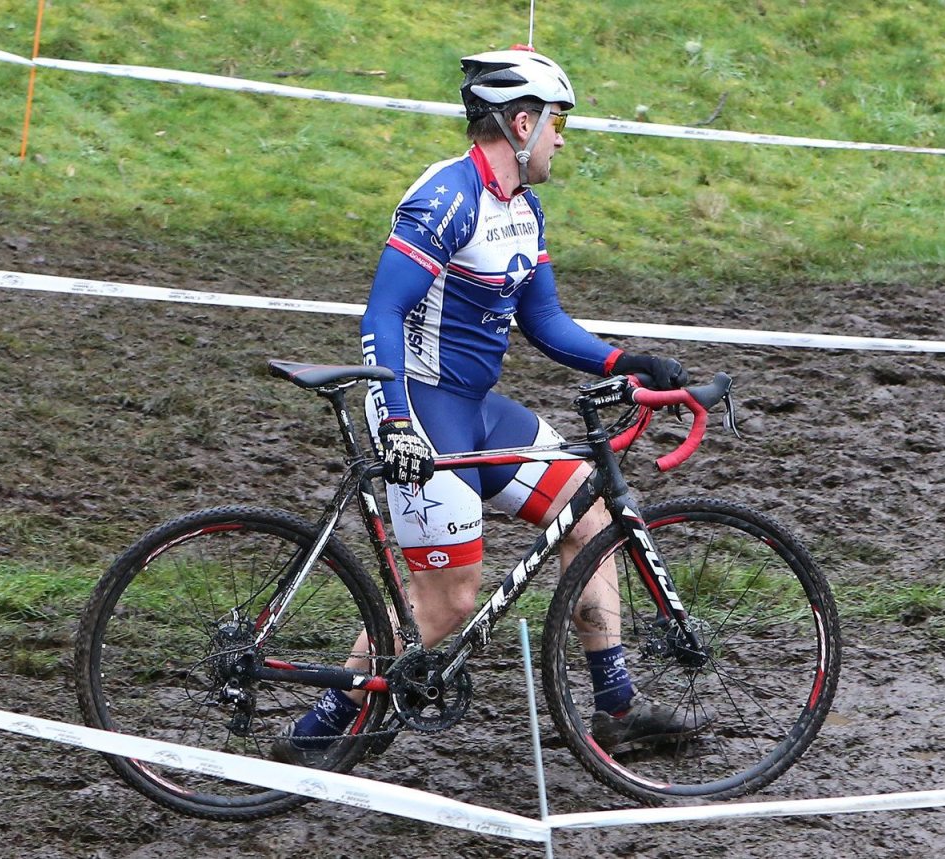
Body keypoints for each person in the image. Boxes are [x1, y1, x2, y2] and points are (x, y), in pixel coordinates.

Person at [273, 47, 708, 764]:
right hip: (422, 409)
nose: (563, 137)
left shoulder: (522, 209)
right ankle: (319, 728)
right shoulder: (446, 199)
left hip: (475, 408)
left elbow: (546, 322)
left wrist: (625, 360)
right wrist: (400, 420)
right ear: (523, 121)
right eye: (558, 121)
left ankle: (616, 706)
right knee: (447, 601)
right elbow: (381, 316)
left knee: (588, 514)